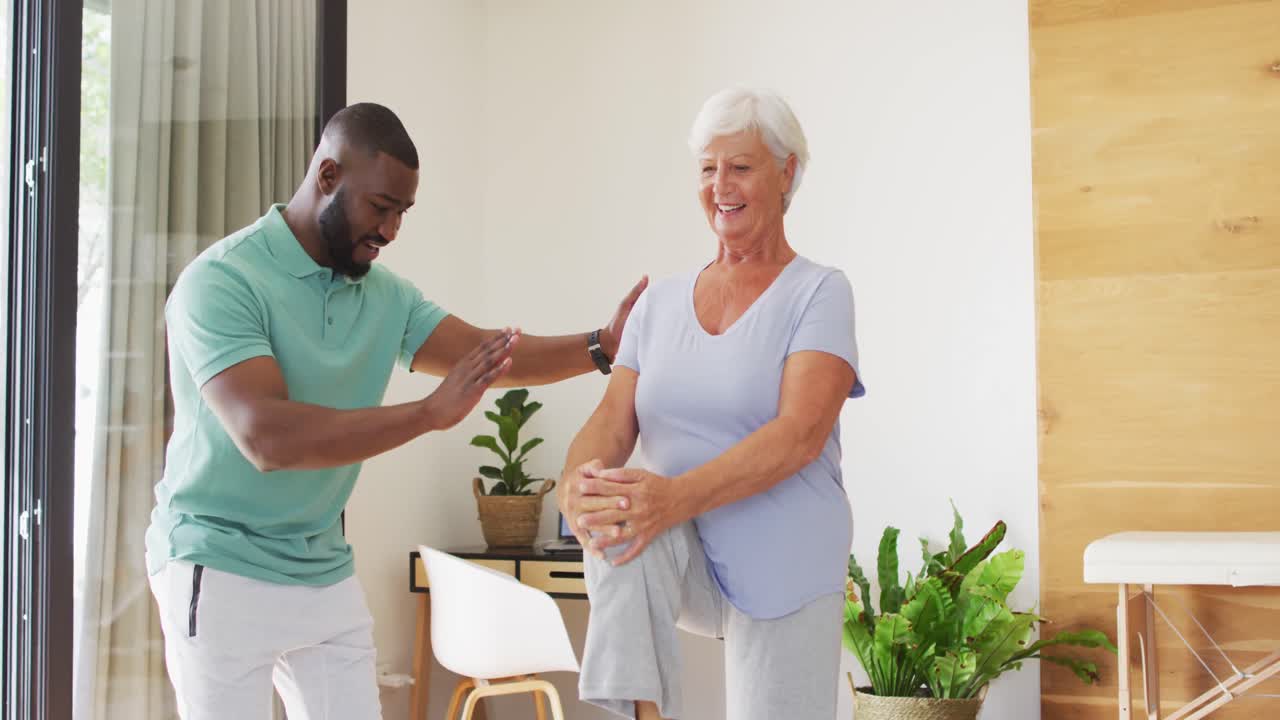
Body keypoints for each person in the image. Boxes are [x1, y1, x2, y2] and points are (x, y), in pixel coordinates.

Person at [145, 102, 646, 720]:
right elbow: (266, 437)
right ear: (328, 175)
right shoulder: (223, 281)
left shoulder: (386, 297)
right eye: (380, 207)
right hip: (218, 563)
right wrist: (428, 413)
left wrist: (602, 345)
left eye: (402, 212)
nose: (391, 230)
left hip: (319, 566)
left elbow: (491, 356)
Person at [557, 87, 864, 720]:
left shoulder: (819, 293)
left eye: (740, 167)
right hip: (686, 550)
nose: (720, 185)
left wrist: (670, 498)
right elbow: (611, 421)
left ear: (786, 173)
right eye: (707, 168)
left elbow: (799, 435)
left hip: (787, 556)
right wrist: (575, 486)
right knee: (617, 513)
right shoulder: (658, 304)